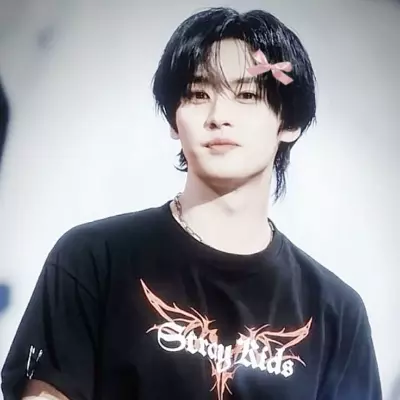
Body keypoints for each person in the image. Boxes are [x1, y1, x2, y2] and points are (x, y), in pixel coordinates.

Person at [1, 6, 382, 400]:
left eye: (246, 95)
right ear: (173, 119)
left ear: (289, 122)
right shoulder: (94, 259)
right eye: (199, 94)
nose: (219, 116)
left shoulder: (336, 312)